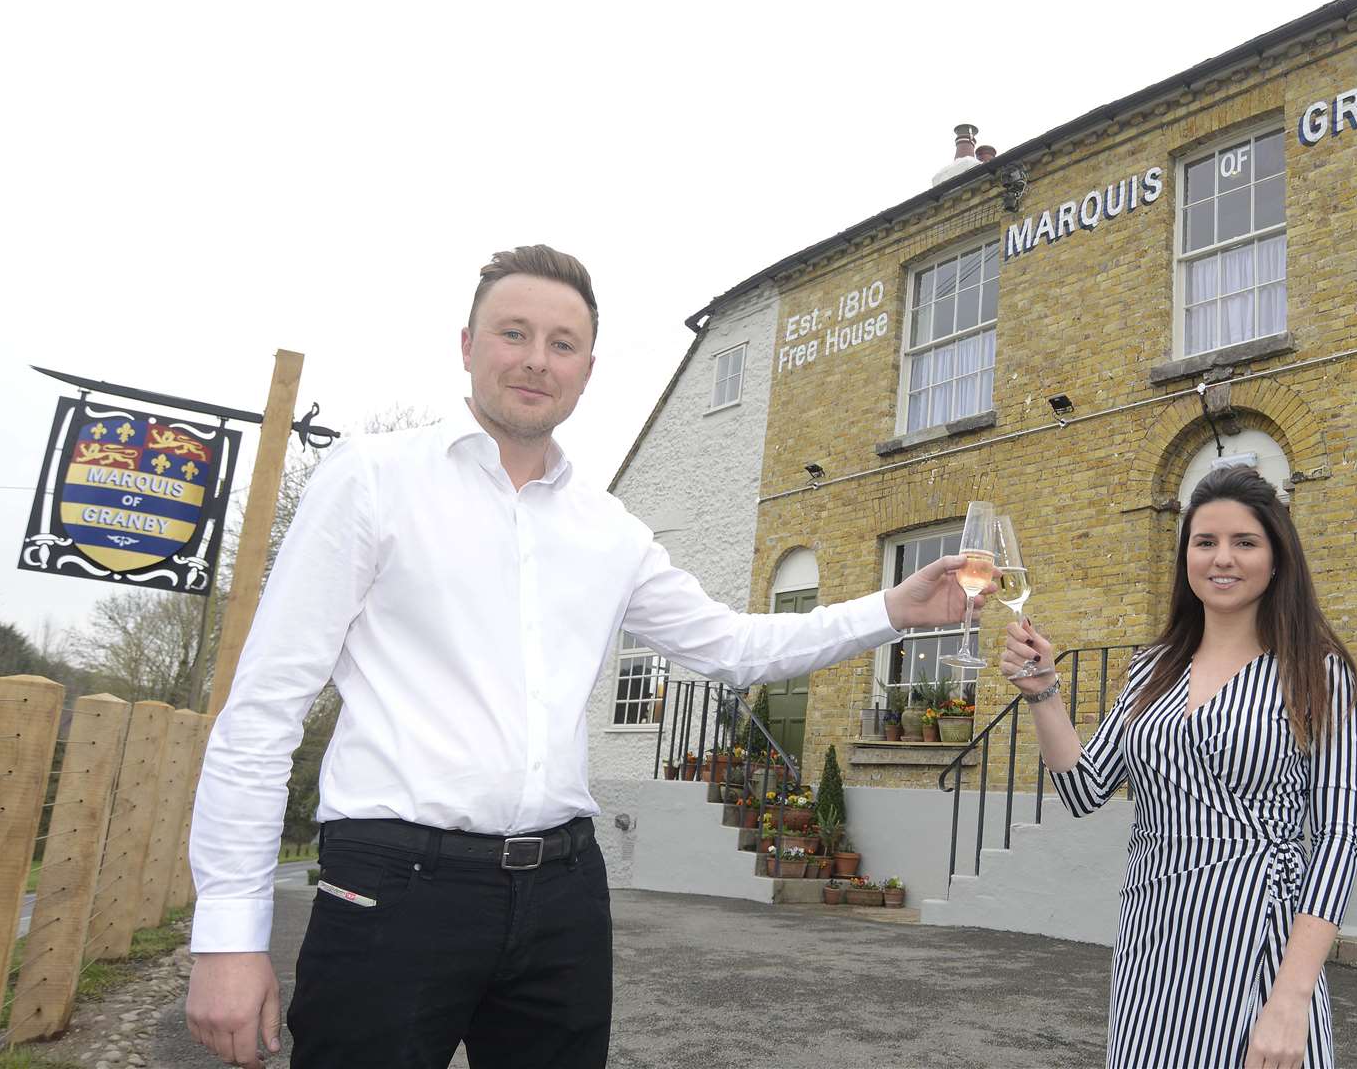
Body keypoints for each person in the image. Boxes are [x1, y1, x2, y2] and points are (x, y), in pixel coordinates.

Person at [184, 245, 989, 1069]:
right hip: (393, 884)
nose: (537, 360)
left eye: (562, 344)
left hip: (562, 894)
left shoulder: (608, 529)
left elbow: (733, 647)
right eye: (514, 333)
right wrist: (227, 936)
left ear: (587, 368)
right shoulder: (372, 481)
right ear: (467, 345)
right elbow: (263, 711)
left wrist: (891, 608)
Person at [1001, 466, 1357, 1069]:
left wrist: (1292, 997)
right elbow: (1085, 790)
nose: (1222, 558)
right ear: (1186, 557)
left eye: (1244, 542)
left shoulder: (1316, 673)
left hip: (1256, 945)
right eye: (1205, 542)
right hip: (1152, 945)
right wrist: (1043, 693)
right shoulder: (1151, 670)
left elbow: (1337, 839)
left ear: (1277, 559)